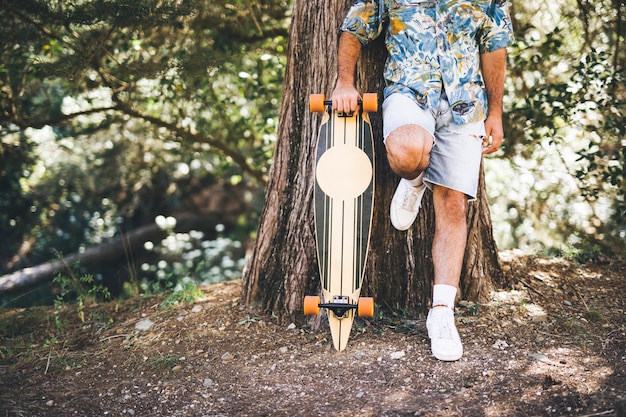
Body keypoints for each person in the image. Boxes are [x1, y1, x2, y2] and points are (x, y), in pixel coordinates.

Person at [331, 0, 514, 361]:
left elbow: (495, 45)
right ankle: (415, 178)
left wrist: (495, 112)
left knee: (454, 204)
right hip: (409, 94)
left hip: (467, 105)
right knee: (406, 151)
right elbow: (354, 28)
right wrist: (344, 83)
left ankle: (442, 313)